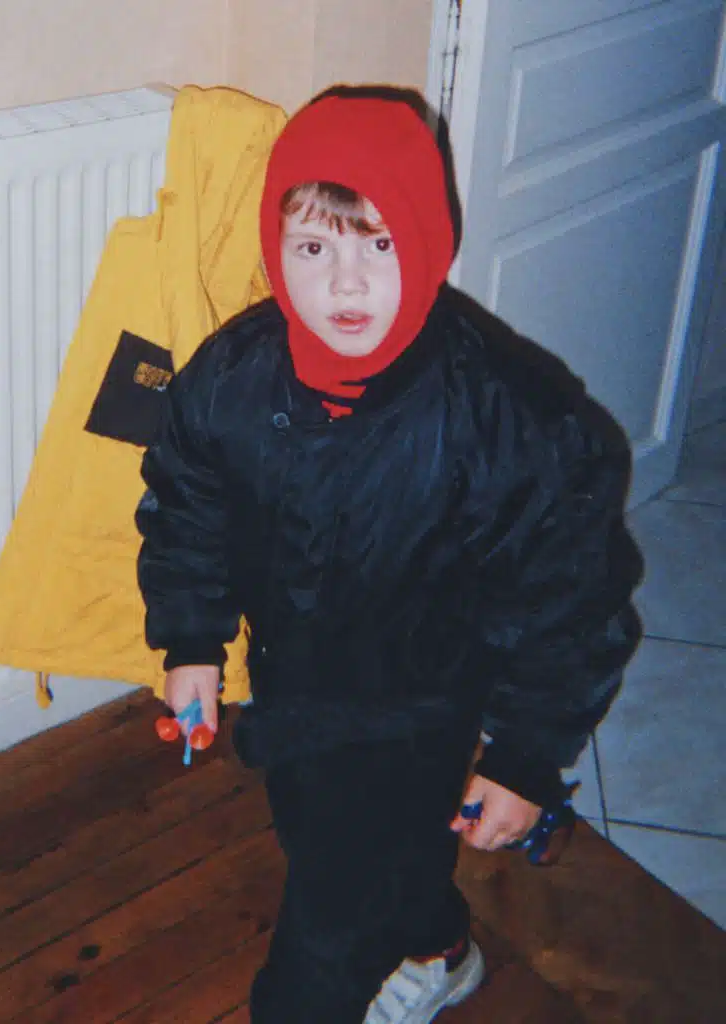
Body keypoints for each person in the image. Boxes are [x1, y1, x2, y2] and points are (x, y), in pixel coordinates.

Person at [135, 85, 642, 1024]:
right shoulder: (231, 378)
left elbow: (571, 601)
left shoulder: (504, 418)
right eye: (314, 248)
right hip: (293, 684)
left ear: (430, 240)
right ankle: (438, 947)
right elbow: (187, 506)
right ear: (276, 251)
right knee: (326, 838)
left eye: (379, 244)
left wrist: (526, 759)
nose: (346, 284)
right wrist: (193, 637)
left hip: (418, 711)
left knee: (328, 922)